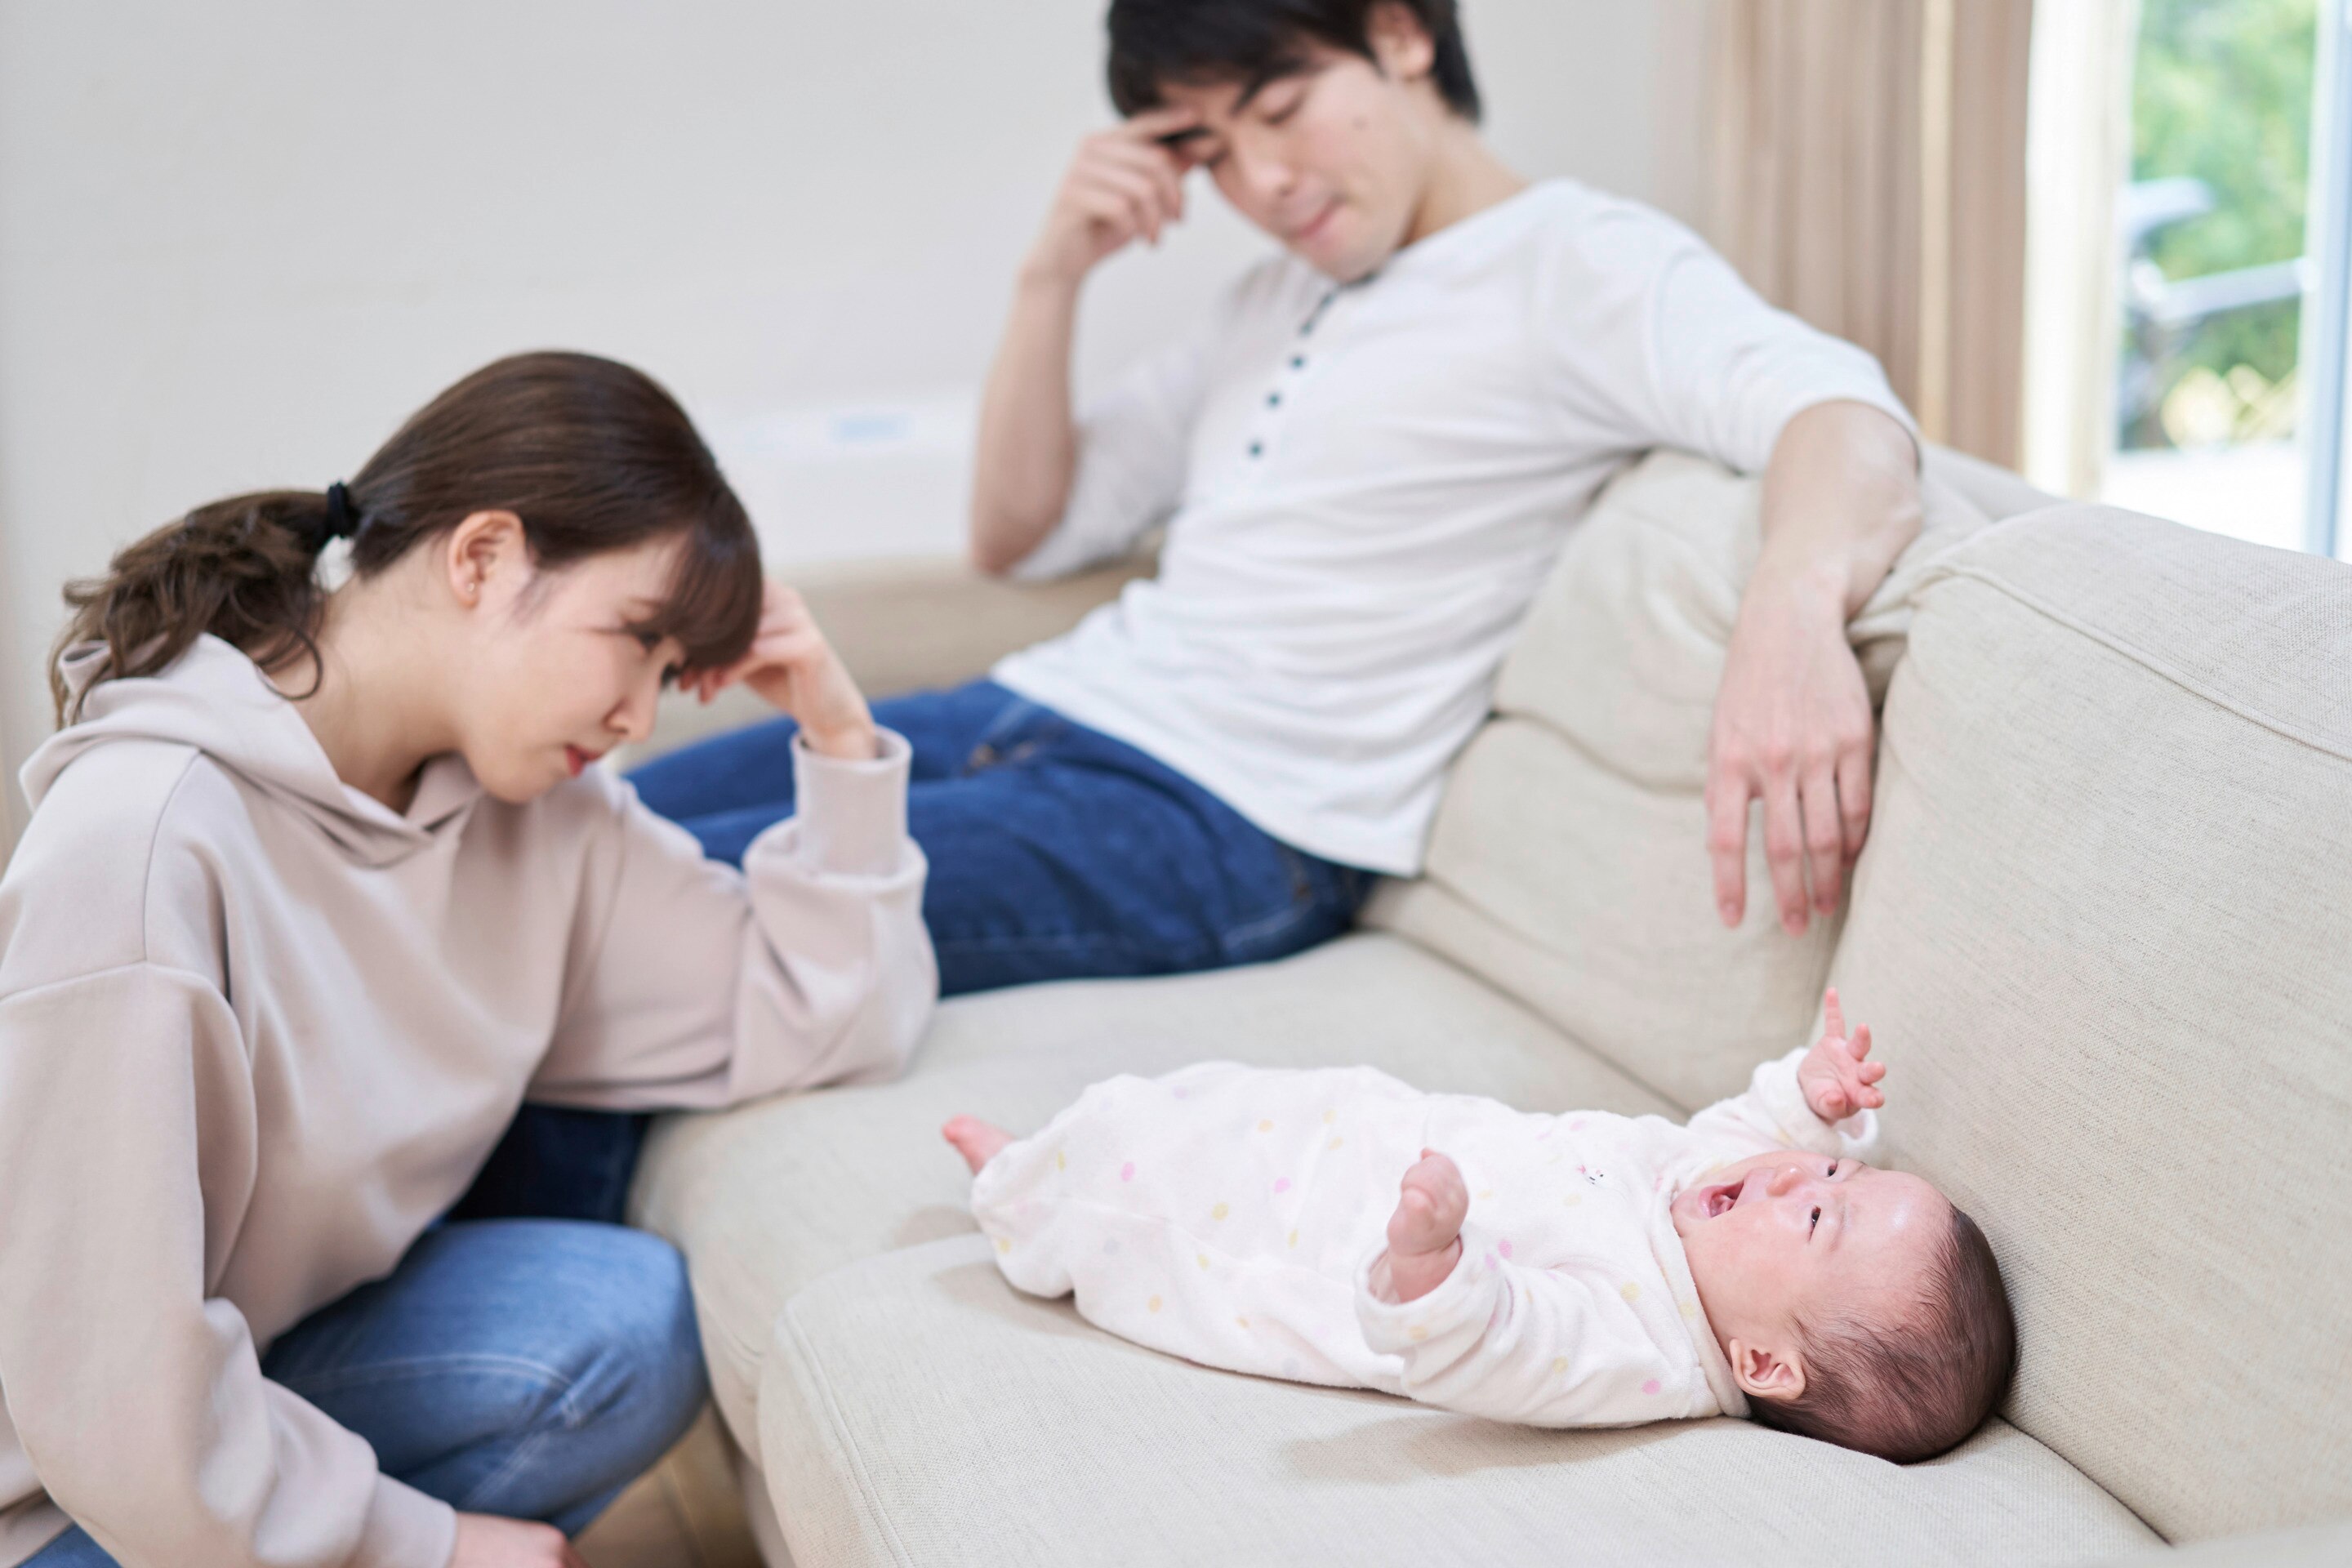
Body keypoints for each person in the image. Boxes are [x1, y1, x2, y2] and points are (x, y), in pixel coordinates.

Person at [631, 0, 1924, 996]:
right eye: (1210, 149)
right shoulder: (1271, 300)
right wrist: (1052, 277)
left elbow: (1842, 410)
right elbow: (1016, 533)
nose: (1262, 184)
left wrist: (1794, 607)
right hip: (1044, 706)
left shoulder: (1577, 263)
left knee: (651, 913)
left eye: (1281, 106)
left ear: (1403, 34)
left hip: (1230, 821)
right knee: (589, 833)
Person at [0, 353, 936, 1568]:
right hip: (52, 1486)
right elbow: (103, 1388)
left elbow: (832, 1017)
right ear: (484, 558)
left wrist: (840, 730)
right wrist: (424, 1549)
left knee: (622, 1328)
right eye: (636, 642)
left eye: (668, 676)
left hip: (240, 1376)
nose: (640, 721)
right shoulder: (142, 840)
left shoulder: (547, 822)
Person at [944, 991, 2016, 1463]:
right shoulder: (1705, 1202)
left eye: (1820, 1211)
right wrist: (1811, 1100)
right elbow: (1743, 1138)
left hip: (1307, 1239)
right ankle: (1045, 1148)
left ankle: (1017, 1193)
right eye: (1827, 1168)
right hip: (1354, 1128)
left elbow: (1503, 1345)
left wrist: (1435, 1263)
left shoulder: (1640, 1350)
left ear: (1761, 1360)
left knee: (1139, 1196)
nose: (1790, 1180)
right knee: (1192, 1099)